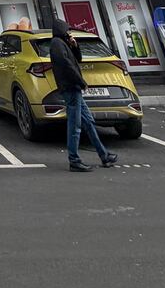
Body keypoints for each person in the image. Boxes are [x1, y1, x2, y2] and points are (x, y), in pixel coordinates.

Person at [49, 17, 118, 173]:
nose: (69, 32)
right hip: (71, 88)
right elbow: (67, 66)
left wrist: (75, 46)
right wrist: (81, 82)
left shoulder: (62, 44)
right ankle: (74, 160)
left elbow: (77, 60)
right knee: (75, 125)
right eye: (67, 30)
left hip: (73, 88)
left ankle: (104, 155)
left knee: (88, 122)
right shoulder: (57, 44)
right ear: (62, 30)